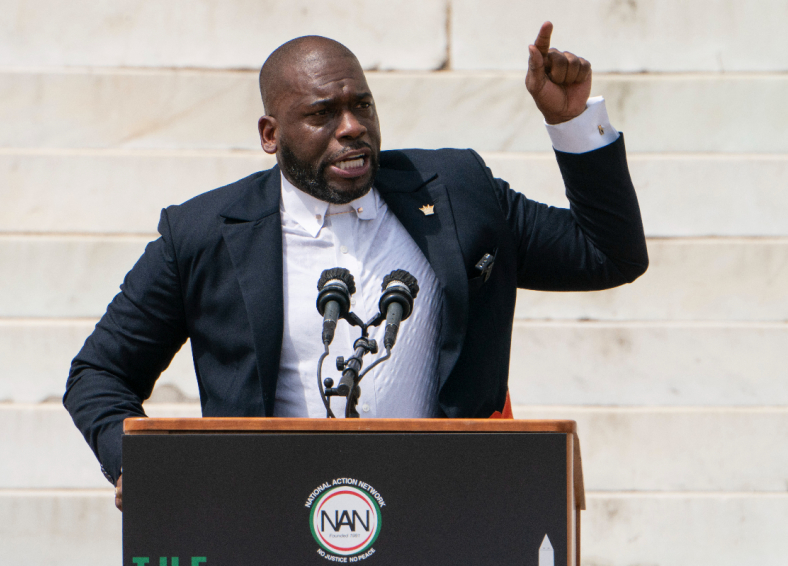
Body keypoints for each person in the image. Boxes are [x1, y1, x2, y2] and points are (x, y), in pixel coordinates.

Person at [64, 22, 648, 511]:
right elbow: (99, 373)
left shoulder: (455, 192)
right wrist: (136, 465)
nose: (352, 128)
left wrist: (571, 122)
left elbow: (608, 254)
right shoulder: (201, 234)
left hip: (445, 516)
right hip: (267, 520)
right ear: (271, 134)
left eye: (361, 105)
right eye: (322, 113)